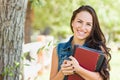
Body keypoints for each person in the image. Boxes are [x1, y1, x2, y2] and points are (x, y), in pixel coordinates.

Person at [50, 5, 111, 80]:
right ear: (72, 22)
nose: (82, 28)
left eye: (88, 24)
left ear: (92, 28)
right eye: (79, 22)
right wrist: (62, 72)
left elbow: (103, 78)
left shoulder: (98, 49)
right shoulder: (58, 49)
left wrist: (78, 69)